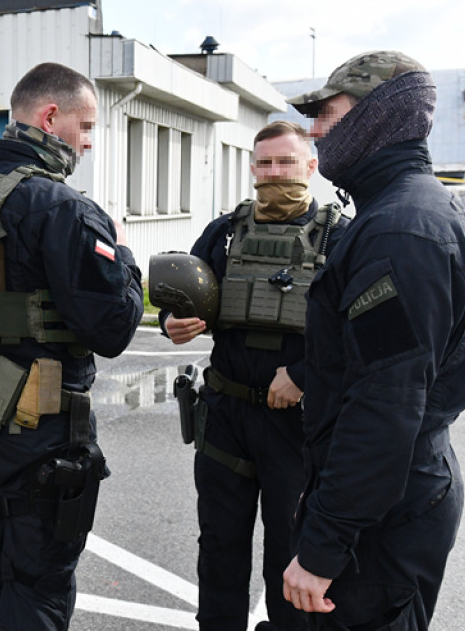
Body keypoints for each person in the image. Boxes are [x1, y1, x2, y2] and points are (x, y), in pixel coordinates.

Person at [0, 62, 145, 630]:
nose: (88, 143)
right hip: (36, 426)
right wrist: (122, 256)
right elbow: (113, 328)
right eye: (86, 127)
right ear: (51, 117)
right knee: (38, 583)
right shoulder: (60, 206)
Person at [282, 51, 465, 629]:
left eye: (327, 115)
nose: (314, 132)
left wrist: (322, 548)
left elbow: (386, 407)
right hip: (393, 497)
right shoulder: (409, 213)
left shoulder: (399, 231)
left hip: (382, 518)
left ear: (377, 114)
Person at [159, 121, 347, 631]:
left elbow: (361, 332)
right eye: (264, 163)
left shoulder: (342, 237)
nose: (274, 173)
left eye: (286, 162)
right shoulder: (223, 234)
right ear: (252, 167)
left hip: (297, 425)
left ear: (311, 167)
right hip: (225, 416)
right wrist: (172, 321)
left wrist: (305, 375)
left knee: (289, 550)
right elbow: (184, 296)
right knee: (219, 545)